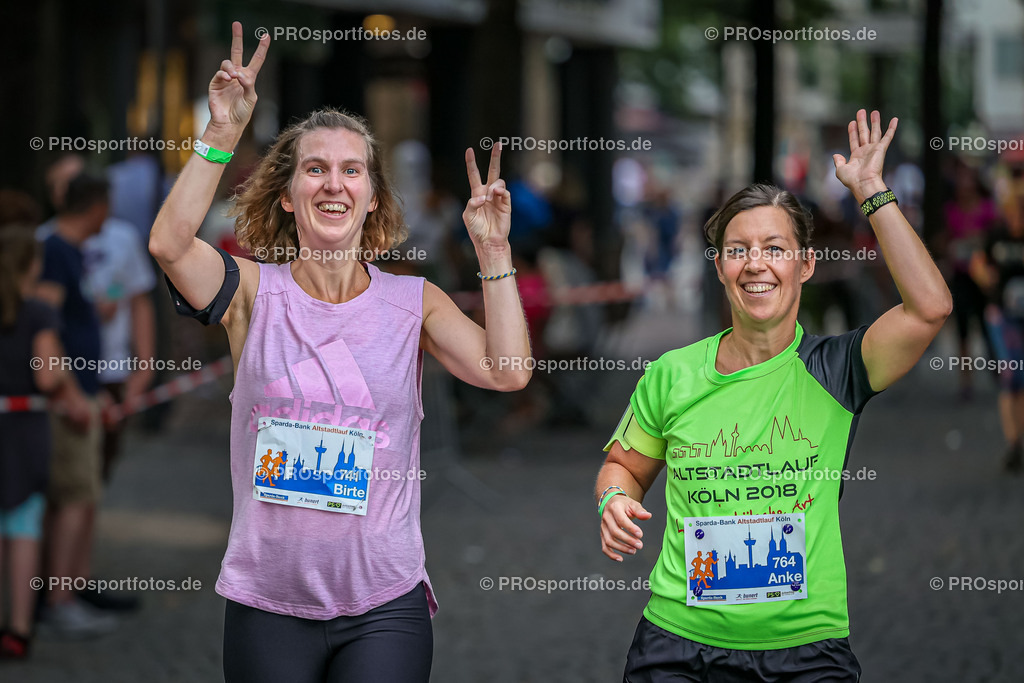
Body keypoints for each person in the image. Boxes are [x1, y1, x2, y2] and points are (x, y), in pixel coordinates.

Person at [148, 23, 530, 683]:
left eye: (351, 169)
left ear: (372, 195)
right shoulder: (250, 292)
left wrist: (493, 250)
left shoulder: (415, 303)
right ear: (290, 196)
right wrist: (221, 134)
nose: (333, 183)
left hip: (384, 603)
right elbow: (170, 245)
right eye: (315, 169)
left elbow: (509, 369)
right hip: (268, 603)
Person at [595, 110, 951, 682]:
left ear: (805, 264)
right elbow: (622, 468)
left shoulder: (839, 370)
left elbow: (930, 307)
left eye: (773, 248)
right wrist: (612, 500)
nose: (755, 263)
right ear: (718, 267)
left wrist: (871, 191)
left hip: (807, 650)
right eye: (737, 250)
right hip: (679, 646)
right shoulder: (672, 374)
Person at [35, 173, 119, 638]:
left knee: (79, 496)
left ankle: (65, 589)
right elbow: (44, 327)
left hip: (81, 391)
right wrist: (68, 394)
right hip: (67, 400)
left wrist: (92, 388)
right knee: (74, 496)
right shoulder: (55, 251)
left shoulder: (65, 251)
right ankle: (58, 598)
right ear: (97, 205)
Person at [0, 225, 90, 659]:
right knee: (22, 528)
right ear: (30, 265)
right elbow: (48, 376)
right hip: (24, 431)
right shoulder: (36, 313)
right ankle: (17, 628)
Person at [972, 155, 1024, 471]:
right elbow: (979, 261)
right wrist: (985, 277)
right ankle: (1014, 443)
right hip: (1003, 317)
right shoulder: (997, 233)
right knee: (1011, 378)